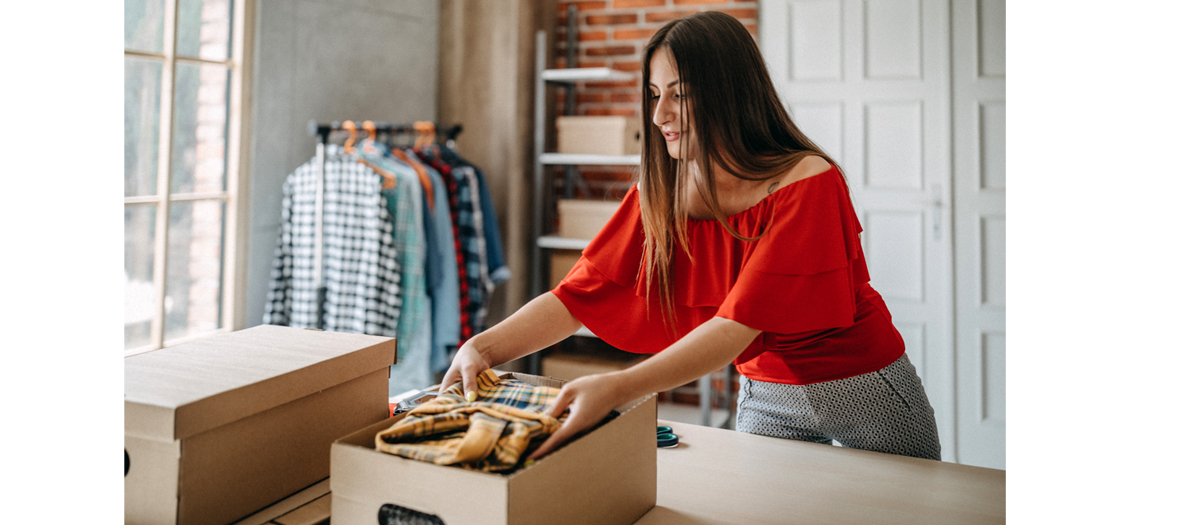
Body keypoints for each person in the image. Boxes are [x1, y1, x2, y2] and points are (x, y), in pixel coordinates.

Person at [440, 11, 941, 462]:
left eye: (680, 94)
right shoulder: (662, 190)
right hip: (766, 394)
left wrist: (619, 388)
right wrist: (482, 348)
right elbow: (577, 297)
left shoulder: (809, 180)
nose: (659, 117)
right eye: (655, 96)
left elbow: (735, 327)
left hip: (864, 386)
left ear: (731, 91)